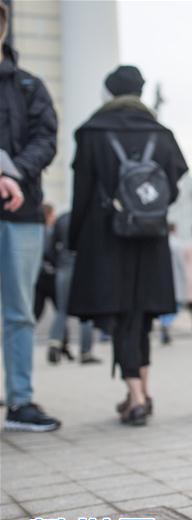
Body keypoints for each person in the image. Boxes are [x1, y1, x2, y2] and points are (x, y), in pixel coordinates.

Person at [68, 65, 188, 426]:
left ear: (108, 92)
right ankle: (142, 391)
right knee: (143, 315)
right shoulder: (162, 133)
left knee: (121, 316)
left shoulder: (92, 132)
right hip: (150, 238)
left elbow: (82, 193)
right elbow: (174, 184)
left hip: (108, 237)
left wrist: (74, 239)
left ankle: (136, 398)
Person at [0, 2, 62, 432]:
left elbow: (46, 138)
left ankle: (20, 401)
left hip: (20, 213)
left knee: (20, 310)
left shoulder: (28, 86)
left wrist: (12, 171)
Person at [48, 210, 100, 365]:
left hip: (64, 267)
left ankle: (55, 342)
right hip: (85, 268)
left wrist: (59, 264)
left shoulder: (62, 218)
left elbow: (50, 247)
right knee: (86, 311)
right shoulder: (90, 218)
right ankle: (85, 351)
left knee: (62, 310)